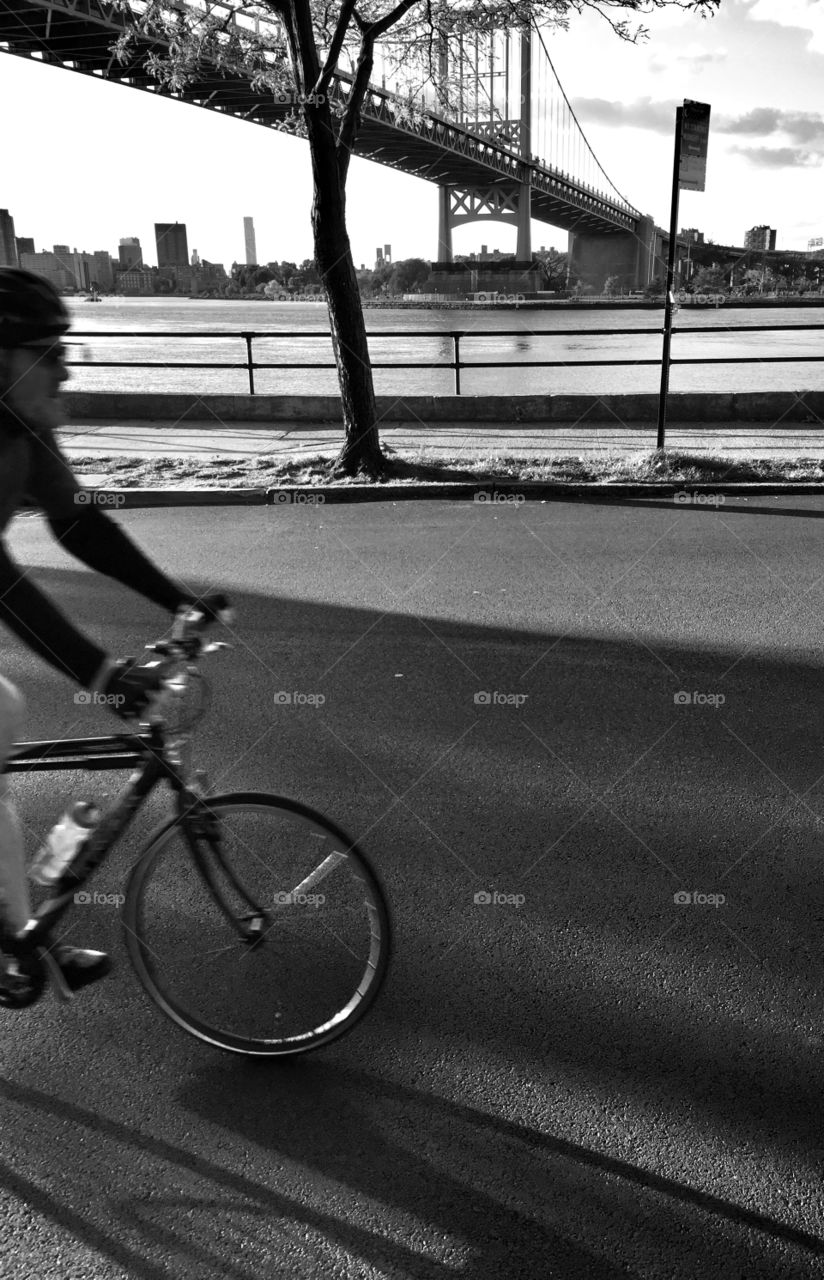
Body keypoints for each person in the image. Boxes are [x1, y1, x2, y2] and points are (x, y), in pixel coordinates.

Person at [0, 268, 228, 1008]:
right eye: (46, 351)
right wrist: (100, 672)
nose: (65, 367)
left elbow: (79, 523)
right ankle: (17, 933)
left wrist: (178, 601)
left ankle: (20, 937)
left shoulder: (26, 431)